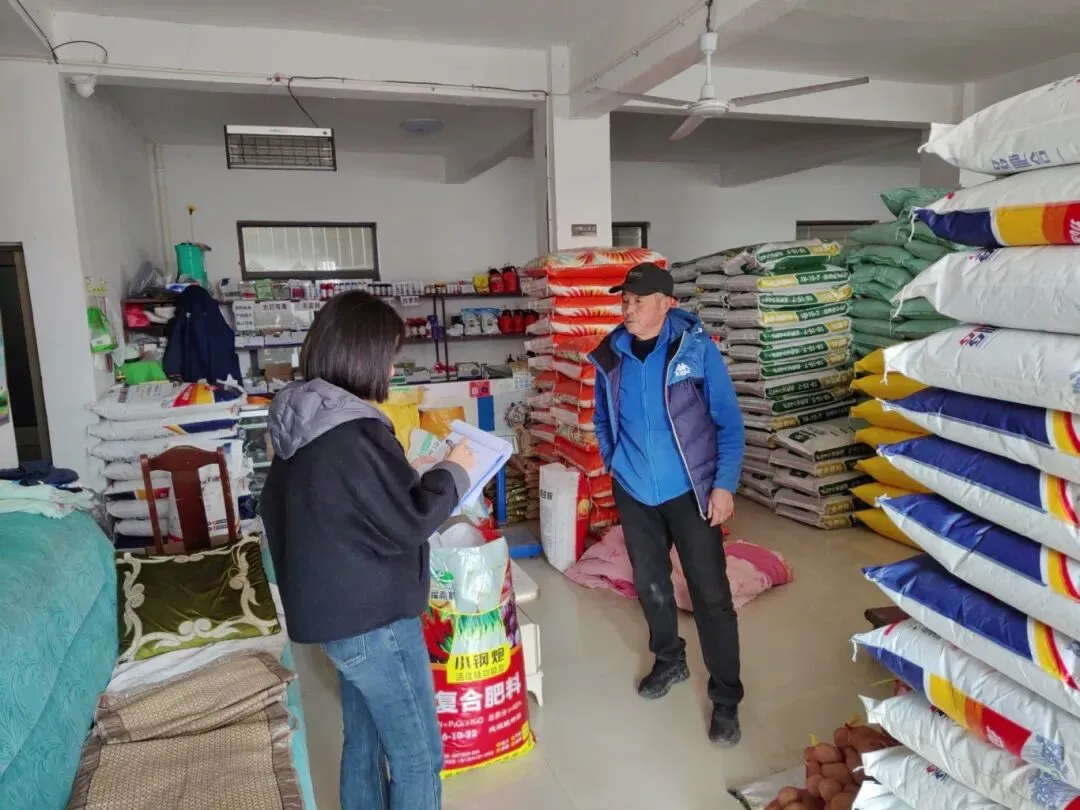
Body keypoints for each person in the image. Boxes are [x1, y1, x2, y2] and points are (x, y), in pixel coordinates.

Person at [261, 291, 474, 810]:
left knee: (364, 742)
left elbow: (340, 503)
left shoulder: (303, 419)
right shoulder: (354, 432)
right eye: (389, 356)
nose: (393, 369)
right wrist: (454, 471)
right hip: (377, 621)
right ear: (361, 355)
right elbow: (410, 521)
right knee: (418, 755)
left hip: (336, 620)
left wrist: (405, 478)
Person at [589, 261, 746, 745]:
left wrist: (724, 485)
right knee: (651, 585)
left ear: (667, 303)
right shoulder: (611, 354)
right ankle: (669, 659)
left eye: (638, 301)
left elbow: (729, 422)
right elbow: (601, 418)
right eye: (624, 300)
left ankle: (726, 698)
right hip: (635, 489)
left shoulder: (694, 350)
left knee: (711, 596)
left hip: (690, 491)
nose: (628, 309)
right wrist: (615, 462)